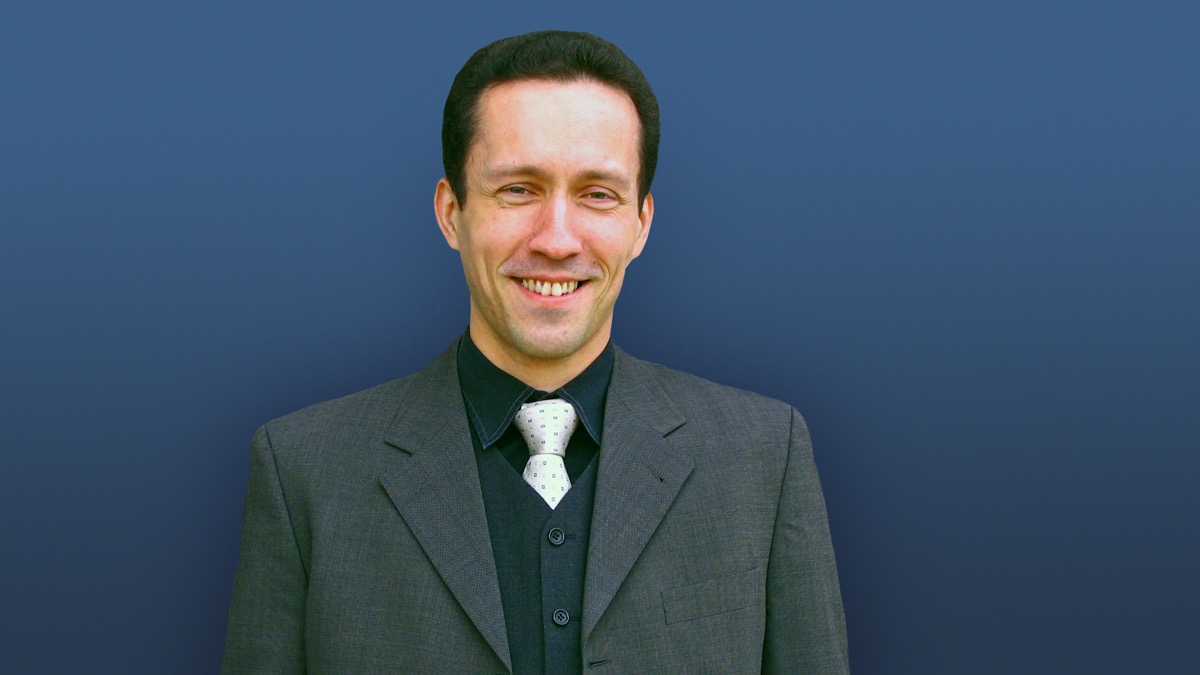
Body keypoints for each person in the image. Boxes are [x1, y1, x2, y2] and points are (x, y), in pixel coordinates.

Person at [222, 30, 848, 673]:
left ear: (641, 223)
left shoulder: (763, 457)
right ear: (451, 212)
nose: (556, 240)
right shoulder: (303, 471)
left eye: (598, 194)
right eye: (519, 189)